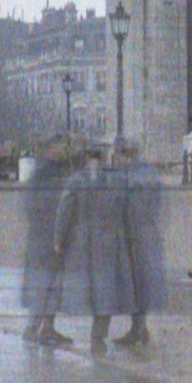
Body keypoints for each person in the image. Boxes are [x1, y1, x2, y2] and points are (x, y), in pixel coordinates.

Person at [53, 144, 130, 353]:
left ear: (85, 157)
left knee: (86, 287)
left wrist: (59, 240)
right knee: (106, 290)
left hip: (83, 242)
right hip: (110, 242)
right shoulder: (116, 180)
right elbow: (125, 209)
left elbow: (64, 211)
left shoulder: (77, 180)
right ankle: (98, 336)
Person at [20, 137, 76, 347]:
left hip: (47, 237)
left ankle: (41, 327)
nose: (64, 150)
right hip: (47, 238)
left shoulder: (49, 171)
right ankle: (39, 328)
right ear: (51, 149)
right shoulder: (47, 173)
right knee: (48, 283)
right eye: (61, 147)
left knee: (49, 283)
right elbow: (41, 205)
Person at [113, 141, 167, 350]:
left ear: (127, 156)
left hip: (137, 236)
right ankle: (138, 327)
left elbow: (134, 207)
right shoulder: (145, 174)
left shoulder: (135, 177)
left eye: (118, 157)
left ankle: (138, 328)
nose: (116, 161)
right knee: (139, 282)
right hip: (143, 234)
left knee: (137, 282)